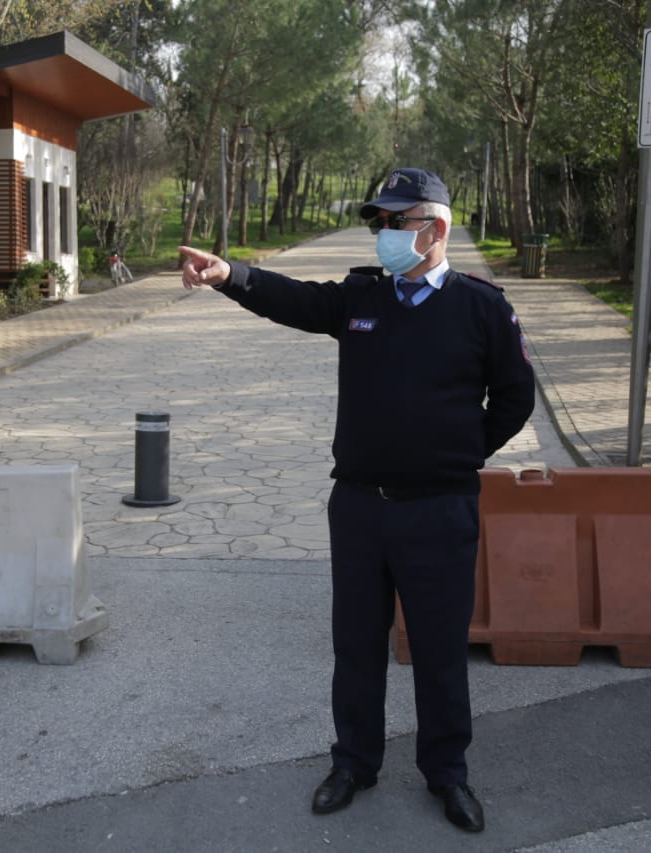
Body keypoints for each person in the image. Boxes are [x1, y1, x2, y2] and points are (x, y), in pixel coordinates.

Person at [178, 168, 535, 833]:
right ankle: (354, 761)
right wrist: (231, 276)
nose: (384, 235)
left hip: (440, 508)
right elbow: (294, 299)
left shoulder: (483, 308)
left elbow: (517, 397)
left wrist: (462, 452)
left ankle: (447, 773)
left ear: (436, 227)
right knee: (357, 644)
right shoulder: (361, 299)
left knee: (438, 649)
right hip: (361, 508)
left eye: (396, 222)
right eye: (379, 223)